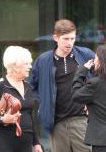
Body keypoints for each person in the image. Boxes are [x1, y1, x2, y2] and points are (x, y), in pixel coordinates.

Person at [29, 19, 95, 152]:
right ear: (55, 38)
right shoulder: (43, 60)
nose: (70, 43)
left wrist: (92, 100)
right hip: (56, 122)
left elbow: (100, 79)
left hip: (81, 120)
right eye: (65, 39)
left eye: (72, 38)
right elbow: (31, 86)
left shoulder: (86, 55)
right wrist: (45, 99)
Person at [0, 46, 43, 152]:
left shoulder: (28, 87)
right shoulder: (1, 85)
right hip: (4, 143)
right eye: (26, 64)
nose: (30, 67)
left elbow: (30, 117)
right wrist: (3, 119)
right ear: (16, 66)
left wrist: (36, 143)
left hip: (25, 144)